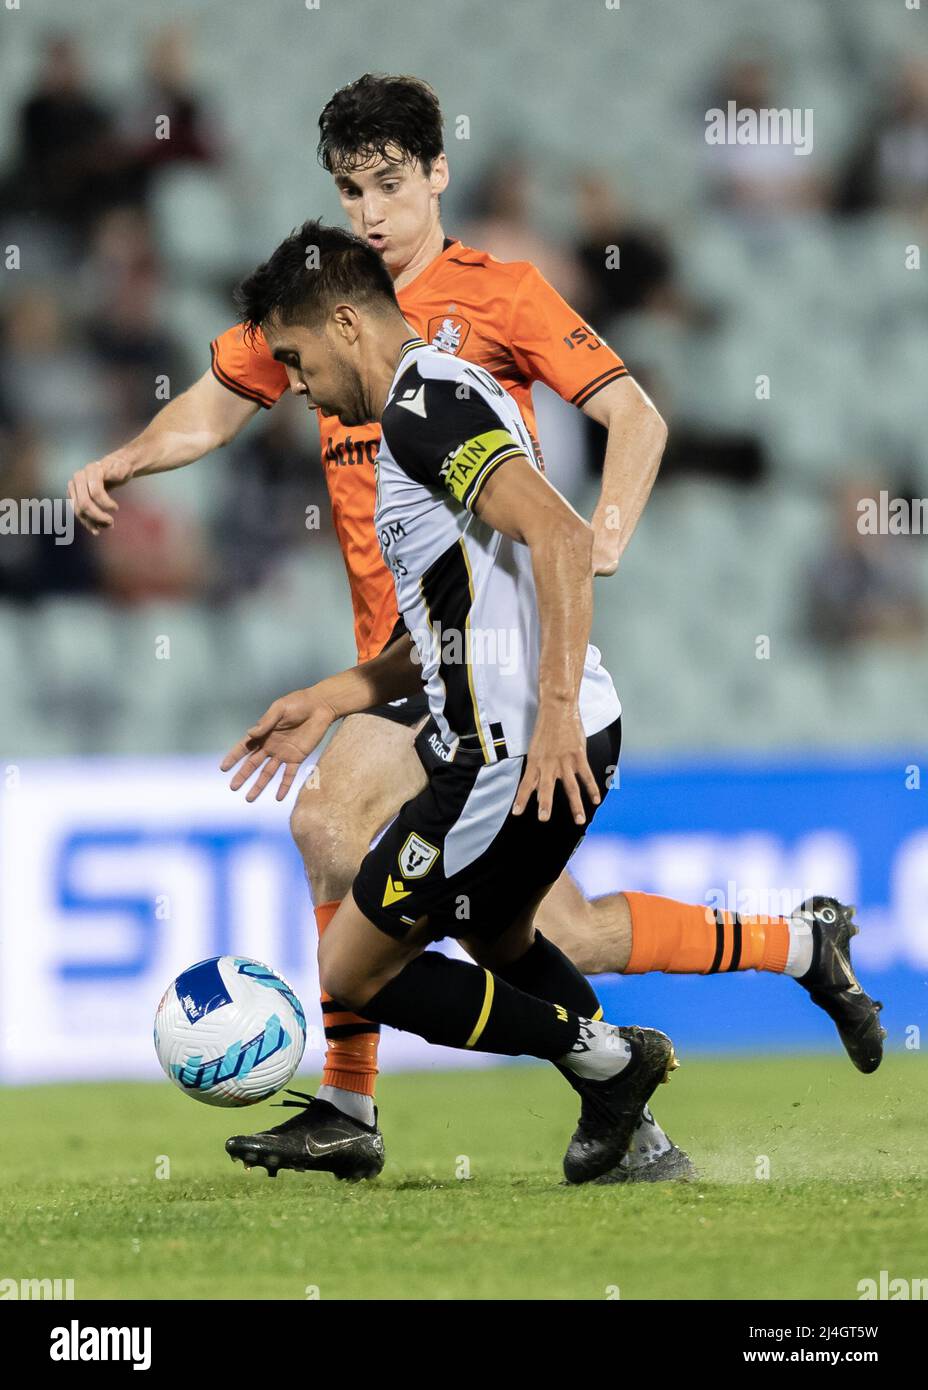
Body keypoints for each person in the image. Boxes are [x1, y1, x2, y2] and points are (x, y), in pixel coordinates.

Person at [67, 75, 884, 1182]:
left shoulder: (478, 314)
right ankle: (751, 985)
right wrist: (126, 455)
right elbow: (214, 401)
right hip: (414, 656)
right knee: (514, 924)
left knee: (478, 910)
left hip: (488, 673)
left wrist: (596, 537)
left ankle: (418, 1103)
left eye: (388, 184)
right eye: (350, 187)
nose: (369, 210)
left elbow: (631, 413)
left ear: (436, 175)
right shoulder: (325, 302)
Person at [221, 221, 678, 1185]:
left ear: (346, 323)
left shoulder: (423, 411)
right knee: (500, 936)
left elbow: (558, 539)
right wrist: (333, 695)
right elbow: (456, 615)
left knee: (353, 970)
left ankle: (612, 1062)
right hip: (551, 732)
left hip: (514, 753)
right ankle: (634, 1136)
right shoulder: (433, 402)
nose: (298, 385)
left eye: (298, 359)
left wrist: (550, 711)